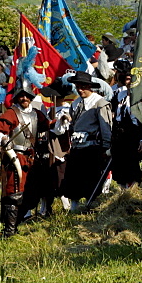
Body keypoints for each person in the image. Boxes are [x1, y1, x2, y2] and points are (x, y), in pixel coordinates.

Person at [0, 89, 54, 237]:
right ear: (16, 98)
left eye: (27, 96)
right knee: (14, 191)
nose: (24, 99)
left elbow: (47, 126)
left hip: (32, 158)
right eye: (21, 96)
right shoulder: (11, 113)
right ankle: (9, 230)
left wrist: (60, 122)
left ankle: (20, 220)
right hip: (15, 157)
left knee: (31, 191)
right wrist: (2, 139)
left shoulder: (36, 114)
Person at [59, 71, 113, 211]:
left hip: (92, 147)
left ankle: (91, 207)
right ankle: (74, 207)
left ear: (90, 86)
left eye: (83, 86)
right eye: (78, 86)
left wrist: (107, 147)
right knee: (74, 179)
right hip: (77, 146)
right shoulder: (76, 103)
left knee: (91, 179)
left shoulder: (100, 103)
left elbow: (106, 126)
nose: (80, 89)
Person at [110, 65, 142, 188]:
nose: (130, 82)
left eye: (132, 79)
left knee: (132, 166)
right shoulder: (118, 95)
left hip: (134, 135)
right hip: (119, 134)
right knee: (119, 166)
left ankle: (132, 192)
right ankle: (122, 193)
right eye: (127, 79)